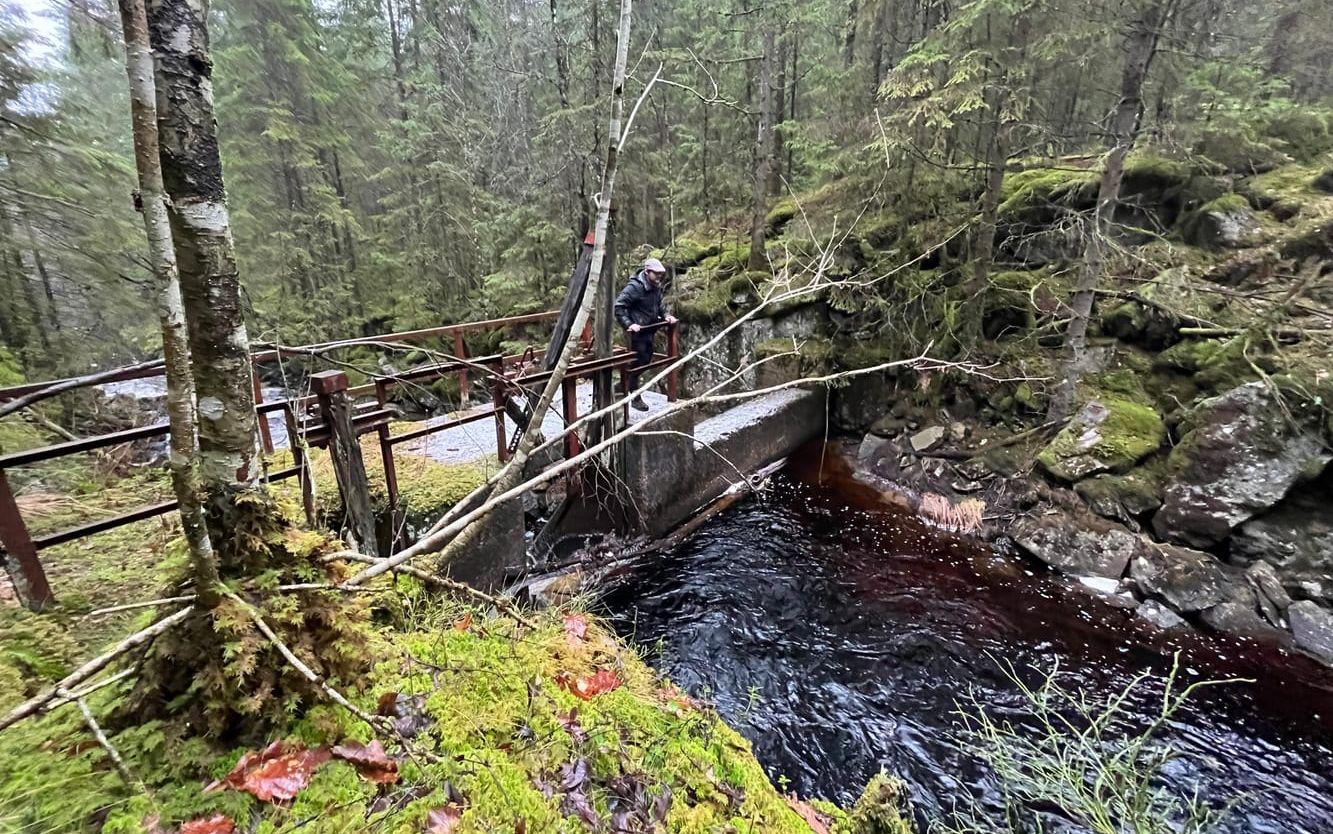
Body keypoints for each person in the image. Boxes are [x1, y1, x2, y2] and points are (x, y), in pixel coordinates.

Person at [614, 256, 677, 411]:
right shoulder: (635, 287)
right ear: (647, 272)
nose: (659, 277)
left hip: (649, 329)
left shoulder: (654, 285)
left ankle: (622, 385)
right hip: (636, 332)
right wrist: (629, 324)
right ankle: (635, 397)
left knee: (646, 360)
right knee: (637, 363)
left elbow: (658, 305)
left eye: (661, 274)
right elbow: (619, 306)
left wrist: (666, 316)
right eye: (656, 274)